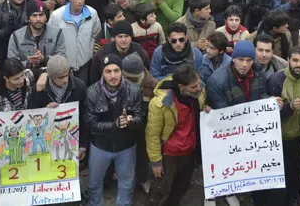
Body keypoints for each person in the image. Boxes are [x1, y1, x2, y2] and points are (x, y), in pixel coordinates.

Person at [84, 52, 144, 206]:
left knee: (126, 185)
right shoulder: (92, 92)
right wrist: (114, 125)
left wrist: (131, 121)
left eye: (116, 71)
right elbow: (91, 124)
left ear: (121, 71)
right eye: (108, 71)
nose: (113, 75)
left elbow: (140, 117)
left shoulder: (134, 90)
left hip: (126, 147)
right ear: (102, 73)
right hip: (100, 147)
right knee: (94, 184)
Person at [145, 64, 208, 206]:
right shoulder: (160, 104)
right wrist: (156, 162)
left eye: (198, 84)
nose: (199, 88)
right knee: (160, 192)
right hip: (169, 155)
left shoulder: (198, 94)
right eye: (194, 87)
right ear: (181, 87)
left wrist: (206, 108)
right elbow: (152, 134)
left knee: (182, 187)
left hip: (189, 152)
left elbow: (202, 109)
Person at [267, 47, 300, 206]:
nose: (298, 64)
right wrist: (289, 107)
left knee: (298, 171)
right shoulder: (276, 80)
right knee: (282, 173)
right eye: (295, 60)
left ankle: (296, 196)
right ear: (288, 60)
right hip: (282, 138)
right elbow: (267, 114)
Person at [8, 0, 66, 70]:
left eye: (41, 15)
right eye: (34, 15)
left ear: (46, 17)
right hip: (26, 75)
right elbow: (12, 63)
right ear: (28, 18)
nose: (38, 19)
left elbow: (62, 59)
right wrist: (30, 63)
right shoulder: (16, 36)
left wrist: (44, 59)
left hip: (51, 74)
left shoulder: (57, 33)